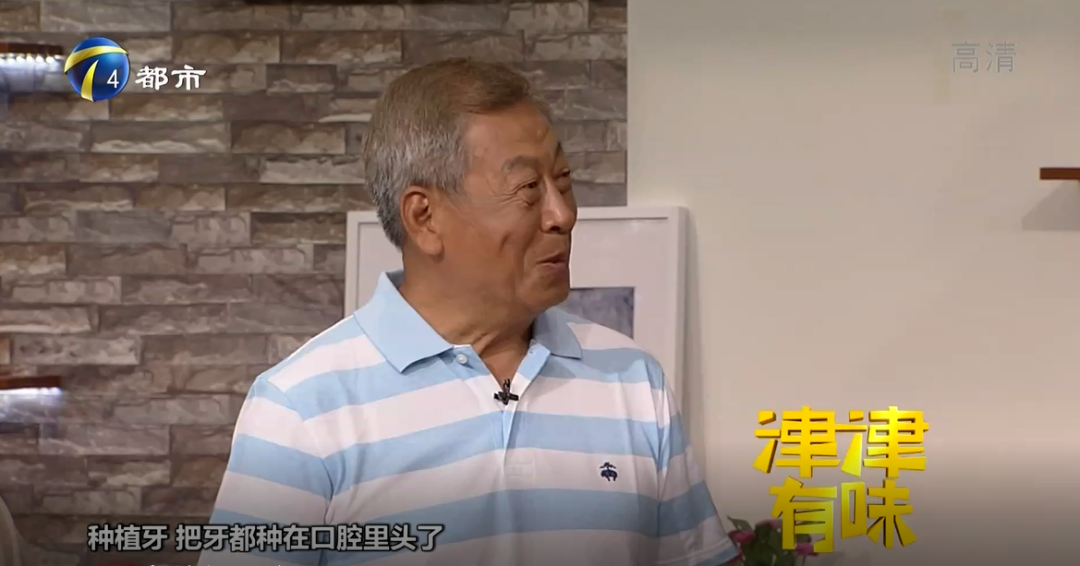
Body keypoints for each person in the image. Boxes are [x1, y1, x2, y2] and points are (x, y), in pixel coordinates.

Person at [199, 58, 736, 566]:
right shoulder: (302, 407)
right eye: (529, 189)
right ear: (424, 217)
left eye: (564, 181)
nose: (562, 214)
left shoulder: (632, 380)